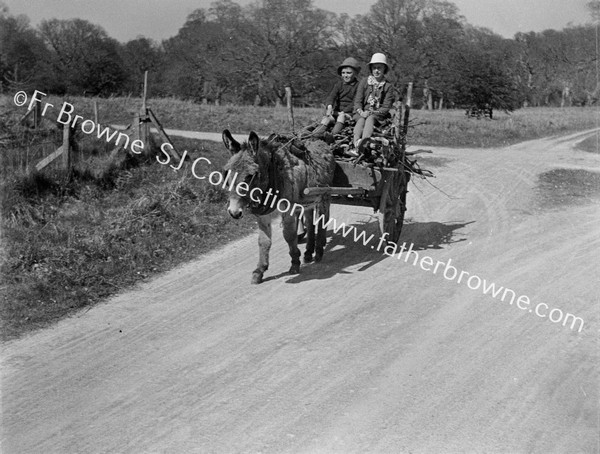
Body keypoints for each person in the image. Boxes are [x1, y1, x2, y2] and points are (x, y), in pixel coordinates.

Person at [352, 53, 394, 149]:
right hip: (361, 113)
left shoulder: (388, 86)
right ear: (371, 69)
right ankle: (356, 143)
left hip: (377, 114)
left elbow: (386, 107)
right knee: (361, 120)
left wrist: (371, 112)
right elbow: (358, 101)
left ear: (384, 69)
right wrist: (361, 112)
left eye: (379, 68)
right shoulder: (364, 82)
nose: (376, 70)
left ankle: (365, 142)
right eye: (374, 68)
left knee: (370, 118)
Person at [313, 57, 361, 136]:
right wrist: (329, 107)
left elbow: (355, 102)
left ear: (355, 73)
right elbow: (332, 96)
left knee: (341, 117)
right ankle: (316, 135)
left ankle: (332, 135)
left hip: (349, 113)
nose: (345, 75)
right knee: (326, 118)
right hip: (337, 112)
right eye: (343, 73)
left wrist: (343, 112)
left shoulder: (358, 86)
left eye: (349, 73)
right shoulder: (339, 85)